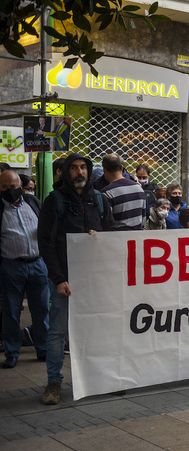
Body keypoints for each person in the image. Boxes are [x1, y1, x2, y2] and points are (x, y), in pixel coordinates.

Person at [38, 153, 111, 404]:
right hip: (65, 280)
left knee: (96, 328)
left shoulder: (99, 200)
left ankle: (95, 378)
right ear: (64, 173)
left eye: (83, 168)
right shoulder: (54, 201)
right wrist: (58, 279)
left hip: (94, 280)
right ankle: (54, 383)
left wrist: (98, 235)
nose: (79, 172)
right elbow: (46, 243)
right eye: (73, 168)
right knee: (57, 332)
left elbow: (111, 236)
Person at [0, 170, 49, 369]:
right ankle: (12, 352)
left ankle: (43, 348)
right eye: (4, 187)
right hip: (12, 266)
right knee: (11, 311)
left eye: (13, 187)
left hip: (38, 264)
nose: (9, 190)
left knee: (41, 309)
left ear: (20, 186)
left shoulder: (33, 203)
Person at [101, 154, 147, 231]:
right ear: (122, 167)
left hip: (119, 240)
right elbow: (143, 219)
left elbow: (107, 224)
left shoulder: (107, 193)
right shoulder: (139, 188)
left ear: (104, 170)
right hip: (137, 239)